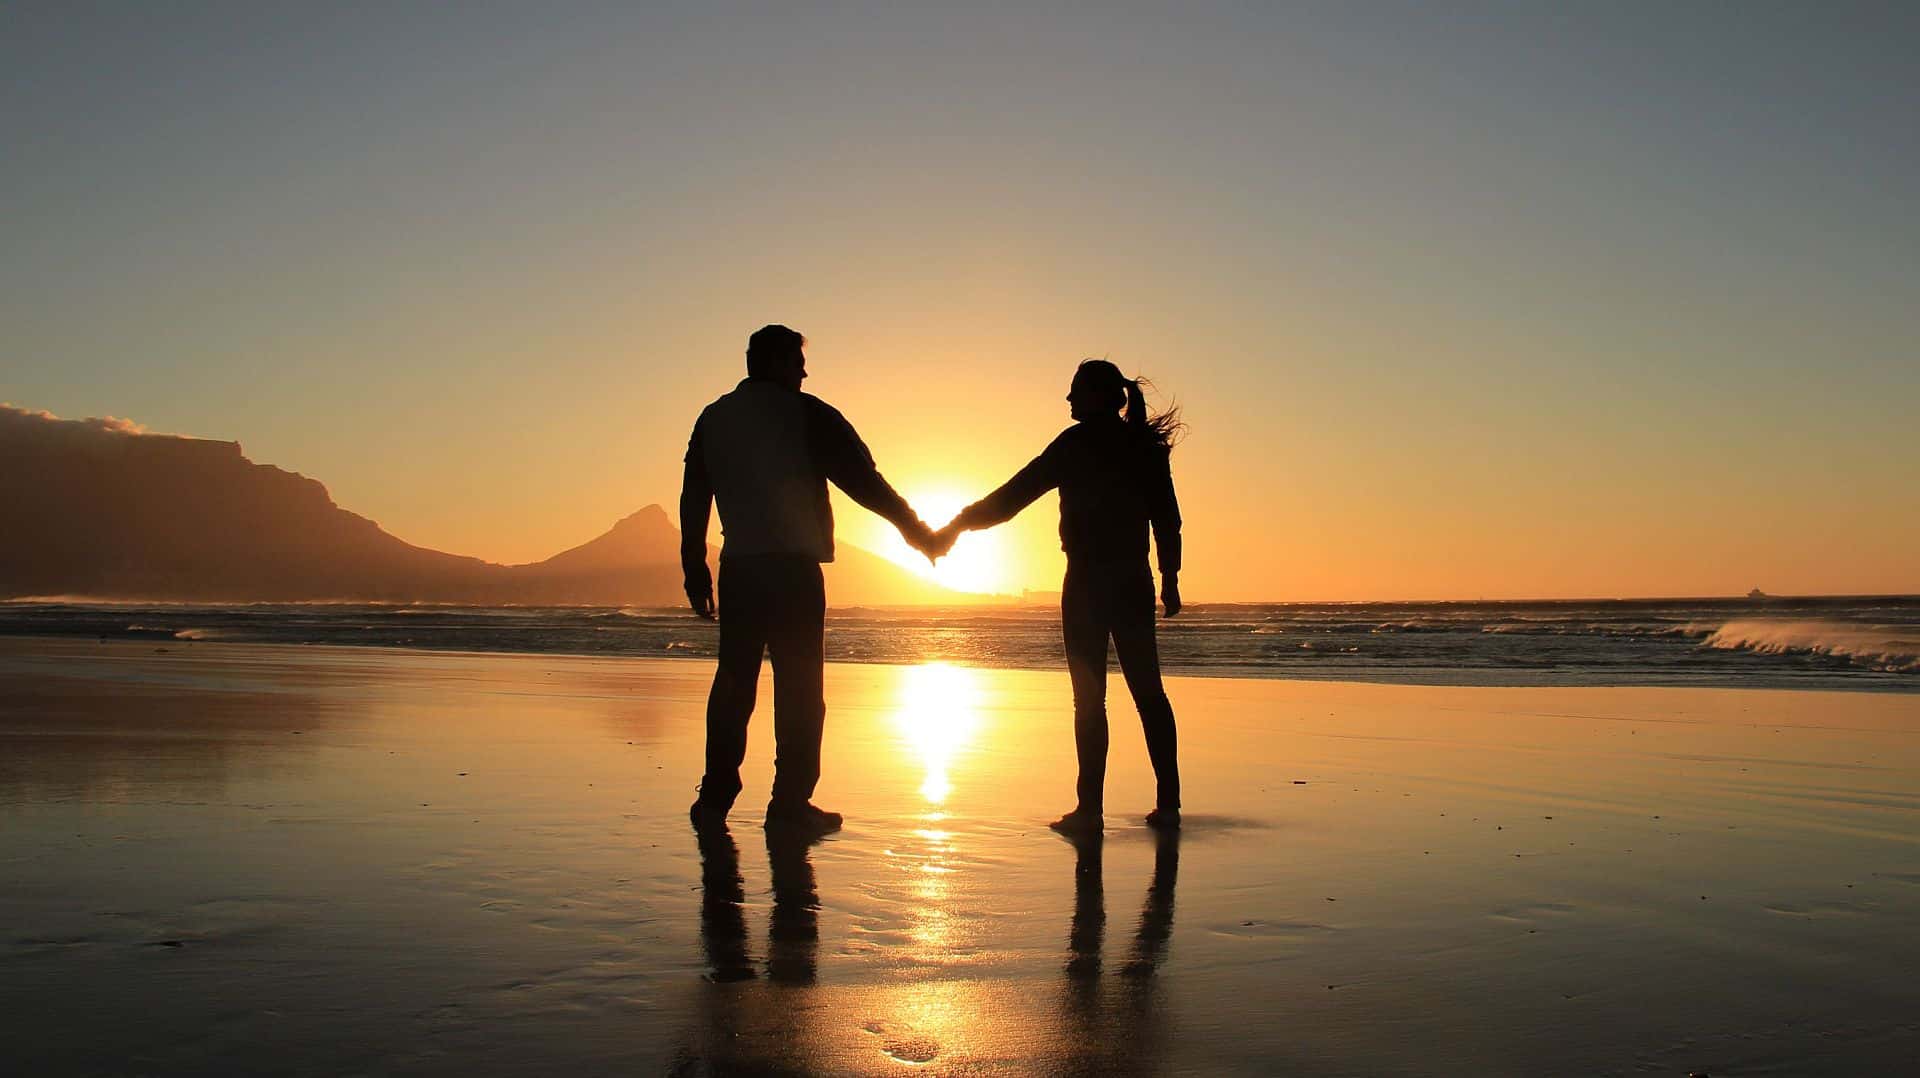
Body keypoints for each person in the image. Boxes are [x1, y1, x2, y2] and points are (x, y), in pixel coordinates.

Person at [681, 324, 938, 834]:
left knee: (734, 682)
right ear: (775, 362)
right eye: (797, 361)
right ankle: (789, 804)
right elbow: (864, 481)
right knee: (800, 689)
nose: (804, 371)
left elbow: (694, 494)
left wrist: (694, 563)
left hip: (739, 568)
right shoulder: (807, 413)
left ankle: (715, 797)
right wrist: (917, 531)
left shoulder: (713, 417)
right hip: (793, 571)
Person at [936, 359, 1185, 832]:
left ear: (1098, 396)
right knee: (1147, 692)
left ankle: (1090, 810)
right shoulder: (1143, 447)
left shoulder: (1075, 445)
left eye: (1074, 391)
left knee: (1090, 700)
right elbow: (1167, 518)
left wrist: (954, 526)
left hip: (1089, 583)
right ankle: (1168, 803)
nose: (1068, 400)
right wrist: (1169, 574)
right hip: (1133, 580)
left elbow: (1012, 497)